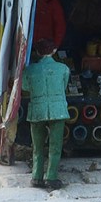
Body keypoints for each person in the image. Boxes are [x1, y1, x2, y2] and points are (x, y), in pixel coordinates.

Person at [21, 38, 70, 189]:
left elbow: (25, 87)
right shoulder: (63, 69)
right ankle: (52, 177)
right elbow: (64, 86)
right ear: (54, 51)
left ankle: (37, 176)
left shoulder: (29, 70)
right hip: (58, 110)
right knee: (55, 146)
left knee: (38, 146)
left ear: (37, 52)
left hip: (37, 110)